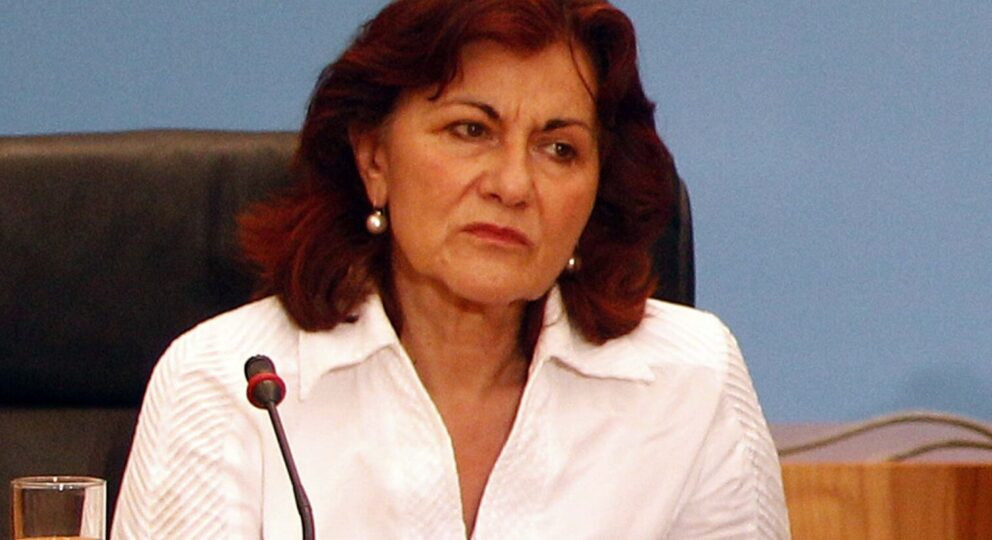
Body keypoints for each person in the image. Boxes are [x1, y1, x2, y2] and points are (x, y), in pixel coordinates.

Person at [112, 0, 789, 538]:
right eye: (471, 130)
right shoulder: (225, 384)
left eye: (559, 148)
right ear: (374, 159)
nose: (513, 185)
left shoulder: (690, 380)